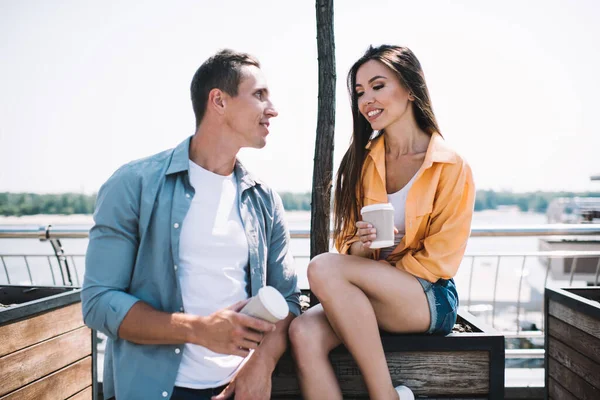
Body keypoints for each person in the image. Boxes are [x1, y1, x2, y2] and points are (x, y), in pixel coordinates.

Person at [81, 49, 301, 400]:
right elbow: (98, 302)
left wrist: (261, 364)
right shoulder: (133, 184)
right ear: (219, 101)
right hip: (152, 390)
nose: (272, 108)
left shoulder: (265, 200)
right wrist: (200, 330)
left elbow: (288, 300)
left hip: (238, 390)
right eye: (259, 95)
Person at [289, 45, 475, 400]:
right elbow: (347, 248)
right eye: (359, 92)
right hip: (374, 294)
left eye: (377, 86)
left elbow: (441, 260)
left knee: (323, 267)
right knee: (303, 333)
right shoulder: (361, 162)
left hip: (428, 299)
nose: (366, 100)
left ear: (409, 89)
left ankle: (384, 396)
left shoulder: (451, 165)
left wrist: (385, 266)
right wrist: (363, 245)